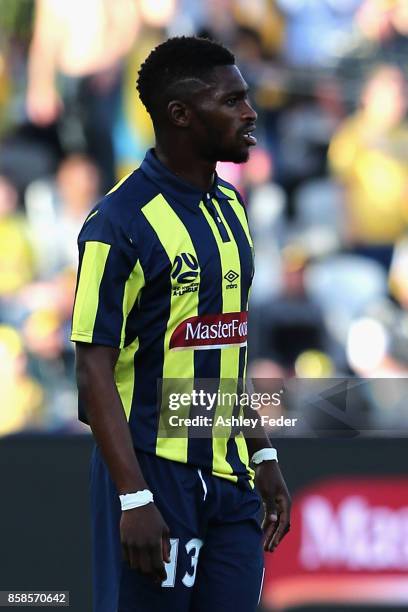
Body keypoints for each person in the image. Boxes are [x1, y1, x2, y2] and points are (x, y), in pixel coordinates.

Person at [71, 36, 291, 612]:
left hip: (231, 481)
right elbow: (91, 371)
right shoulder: (117, 222)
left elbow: (227, 347)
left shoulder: (231, 208)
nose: (251, 113)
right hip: (152, 476)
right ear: (181, 115)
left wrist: (262, 453)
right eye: (234, 100)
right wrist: (132, 495)